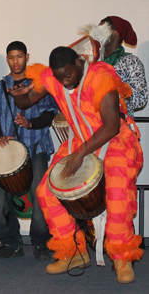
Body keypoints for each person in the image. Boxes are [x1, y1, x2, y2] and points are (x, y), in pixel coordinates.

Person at [9, 46, 143, 284]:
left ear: (80, 63)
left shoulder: (101, 76)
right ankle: (74, 252)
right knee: (45, 192)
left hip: (115, 141)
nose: (65, 83)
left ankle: (123, 258)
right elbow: (27, 101)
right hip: (79, 140)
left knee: (117, 192)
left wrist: (81, 153)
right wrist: (18, 94)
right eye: (59, 78)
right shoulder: (54, 76)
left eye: (68, 76)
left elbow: (111, 126)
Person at [0, 41, 57, 260]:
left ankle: (41, 242)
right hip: (7, 151)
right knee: (2, 196)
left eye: (19, 56)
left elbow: (50, 113)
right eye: (11, 57)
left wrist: (30, 123)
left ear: (27, 57)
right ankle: (10, 243)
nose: (16, 61)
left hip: (37, 145)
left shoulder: (38, 84)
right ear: (8, 59)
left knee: (40, 194)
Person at [99, 16, 148, 117]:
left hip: (120, 126)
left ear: (115, 33)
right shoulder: (95, 61)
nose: (97, 35)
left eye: (102, 31)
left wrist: (119, 94)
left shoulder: (130, 61)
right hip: (91, 125)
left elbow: (142, 98)